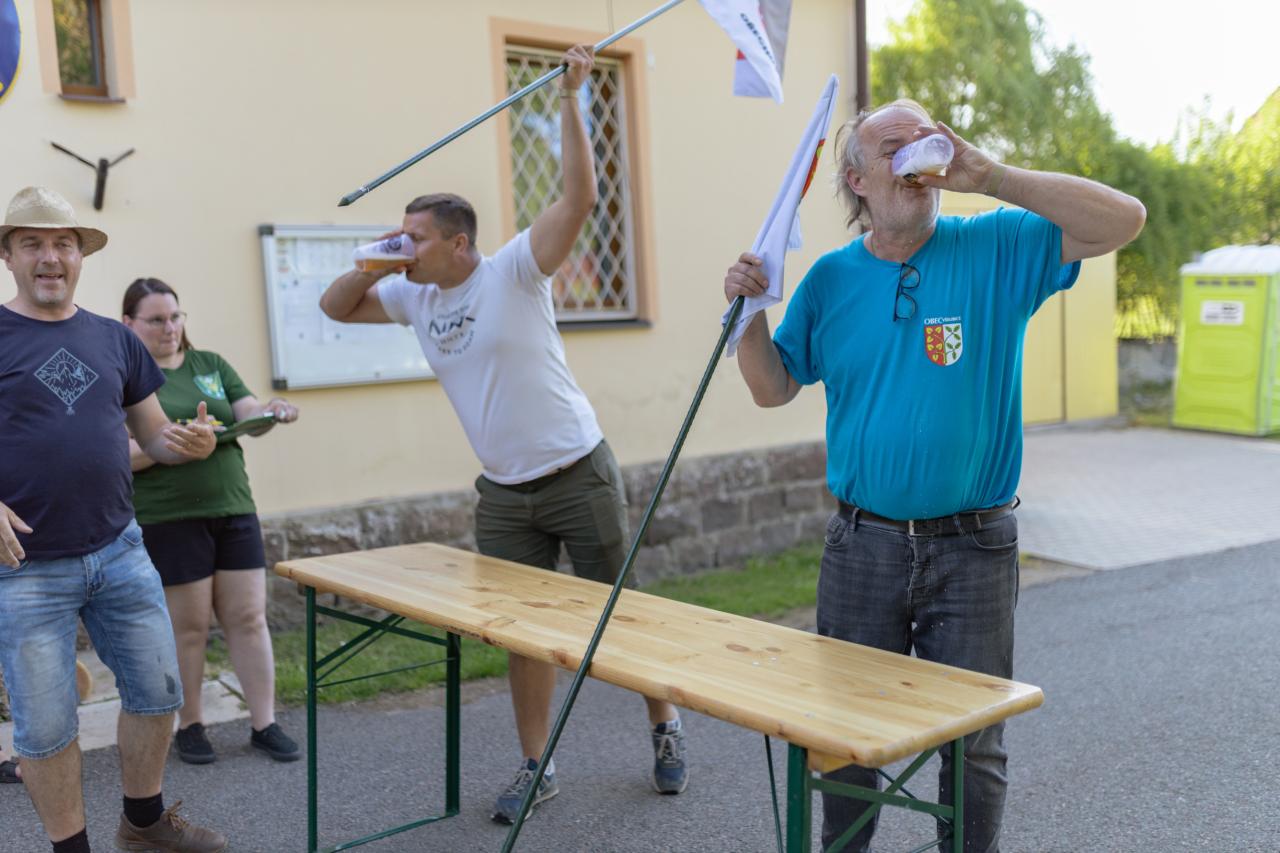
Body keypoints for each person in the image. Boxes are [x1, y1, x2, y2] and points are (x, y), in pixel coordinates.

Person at [722, 101, 1145, 853]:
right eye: (893, 146)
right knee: (845, 735)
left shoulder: (997, 244)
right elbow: (772, 387)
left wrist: (992, 174)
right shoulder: (829, 280)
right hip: (862, 546)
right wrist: (748, 312)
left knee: (974, 739)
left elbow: (1124, 220)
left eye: (924, 140)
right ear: (858, 179)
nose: (915, 155)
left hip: (973, 545)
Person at [319, 44, 690, 823]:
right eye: (400, 235)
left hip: (577, 471)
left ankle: (664, 723)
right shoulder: (412, 296)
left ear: (459, 243)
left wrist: (573, 99)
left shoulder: (514, 270)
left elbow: (580, 200)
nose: (404, 246)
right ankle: (535, 763)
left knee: (617, 614)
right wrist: (376, 260)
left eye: (415, 237)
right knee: (523, 634)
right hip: (504, 494)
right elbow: (335, 306)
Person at [0, 186, 227, 852]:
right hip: (25, 566)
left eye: (63, 244)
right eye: (33, 244)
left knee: (159, 692)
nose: (50, 257)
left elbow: (153, 436)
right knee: (46, 727)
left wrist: (189, 444)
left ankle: (144, 822)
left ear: (81, 255)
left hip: (119, 549)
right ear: (8, 255)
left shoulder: (114, 338)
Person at [121, 277, 301, 767]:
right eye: (156, 320)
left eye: (175, 317)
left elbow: (248, 412)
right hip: (170, 518)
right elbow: (119, 454)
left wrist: (272, 411)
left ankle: (264, 723)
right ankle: (192, 725)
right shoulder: (127, 377)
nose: (170, 328)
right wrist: (176, 442)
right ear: (129, 324)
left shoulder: (210, 365)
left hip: (233, 508)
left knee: (249, 618)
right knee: (190, 628)